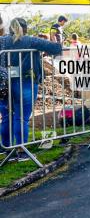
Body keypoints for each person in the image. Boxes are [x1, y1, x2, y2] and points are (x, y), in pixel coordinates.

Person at [0, 18, 62, 153]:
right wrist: (54, 39)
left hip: (4, 84)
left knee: (6, 117)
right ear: (25, 28)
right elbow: (57, 49)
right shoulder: (31, 40)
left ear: (10, 28)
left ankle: (5, 148)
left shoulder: (2, 41)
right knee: (21, 118)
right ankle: (22, 152)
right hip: (26, 82)